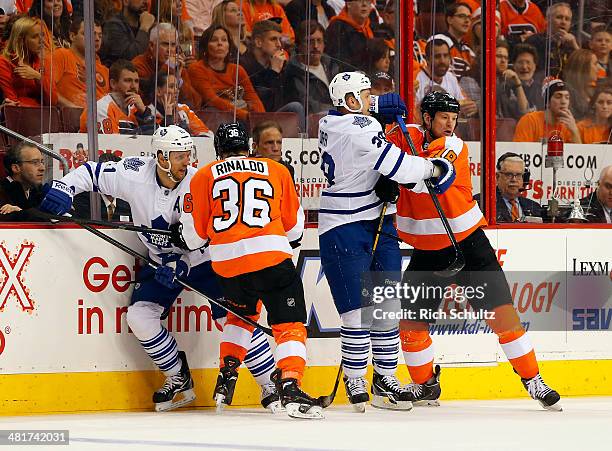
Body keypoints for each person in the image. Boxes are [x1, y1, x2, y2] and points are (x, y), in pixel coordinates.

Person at [38, 125, 281, 413]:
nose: (186, 162)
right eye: (179, 156)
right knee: (140, 316)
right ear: (161, 157)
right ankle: (178, 376)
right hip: (161, 261)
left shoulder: (199, 182)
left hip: (205, 260)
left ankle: (270, 383)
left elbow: (209, 236)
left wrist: (183, 264)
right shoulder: (134, 173)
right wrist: (64, 187)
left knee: (231, 320)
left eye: (188, 155)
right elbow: (92, 172)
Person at [386, 91, 561, 411]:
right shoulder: (405, 135)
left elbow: (429, 179)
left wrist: (395, 169)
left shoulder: (454, 146)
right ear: (427, 118)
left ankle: (533, 379)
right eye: (444, 118)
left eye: (454, 119)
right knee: (411, 323)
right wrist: (380, 115)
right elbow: (378, 150)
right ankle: (424, 384)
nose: (451, 124)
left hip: (467, 242)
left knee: (503, 314)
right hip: (428, 248)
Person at [317, 72, 455, 412]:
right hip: (344, 226)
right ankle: (355, 378)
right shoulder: (358, 128)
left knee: (387, 307)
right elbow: (404, 169)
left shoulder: (331, 121)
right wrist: (436, 169)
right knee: (357, 313)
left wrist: (377, 106)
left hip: (377, 217)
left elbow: (361, 119)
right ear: (350, 101)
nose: (369, 100)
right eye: (365, 96)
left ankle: (384, 378)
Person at [180, 122, 322, 420]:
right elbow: (295, 228)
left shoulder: (203, 175)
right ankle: (291, 385)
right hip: (271, 258)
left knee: (240, 316)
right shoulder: (277, 169)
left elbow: (193, 238)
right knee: (290, 325)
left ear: (218, 149)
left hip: (227, 264)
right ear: (250, 145)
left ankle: (226, 377)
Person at [188, 25, 264, 121]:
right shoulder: (197, 68)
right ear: (205, 46)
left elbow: (252, 97)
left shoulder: (237, 69)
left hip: (241, 115)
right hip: (214, 115)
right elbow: (212, 100)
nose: (220, 43)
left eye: (224, 40)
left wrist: (262, 118)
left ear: (229, 46)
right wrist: (246, 116)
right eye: (214, 40)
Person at [239, 20, 305, 126]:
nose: (279, 45)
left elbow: (293, 98)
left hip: (278, 121)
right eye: (273, 39)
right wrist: (273, 73)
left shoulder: (281, 65)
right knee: (295, 107)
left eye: (280, 40)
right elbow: (261, 105)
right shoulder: (243, 65)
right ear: (258, 42)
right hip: (254, 121)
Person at [132, 22, 201, 110]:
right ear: (151, 46)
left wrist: (179, 79)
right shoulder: (138, 64)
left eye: (173, 45)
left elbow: (195, 104)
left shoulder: (176, 67)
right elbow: (148, 99)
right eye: (165, 44)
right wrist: (168, 68)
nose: (170, 50)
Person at [79, 59, 155, 134]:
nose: (133, 86)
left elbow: (156, 137)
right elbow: (113, 143)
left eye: (136, 81)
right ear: (113, 84)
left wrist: (144, 112)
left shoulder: (136, 108)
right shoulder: (101, 108)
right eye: (128, 80)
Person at [51, 17, 110, 109]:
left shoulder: (105, 70)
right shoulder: (61, 56)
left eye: (100, 36)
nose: (97, 39)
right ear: (72, 36)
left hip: (101, 119)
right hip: (71, 119)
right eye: (90, 34)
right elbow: (47, 88)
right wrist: (73, 108)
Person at [283, 20, 338, 116]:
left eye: (319, 41)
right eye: (310, 42)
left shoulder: (331, 65)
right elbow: (308, 106)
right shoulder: (293, 72)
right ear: (299, 45)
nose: (316, 46)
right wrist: (339, 110)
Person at [415, 35, 478, 118]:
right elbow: (414, 114)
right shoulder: (416, 79)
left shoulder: (451, 77)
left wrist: (470, 108)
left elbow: (464, 103)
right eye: (437, 56)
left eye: (445, 56)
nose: (442, 61)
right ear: (427, 59)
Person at [0, 16, 57, 107]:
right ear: (21, 40)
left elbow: (53, 101)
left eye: (42, 35)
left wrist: (37, 77)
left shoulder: (42, 60)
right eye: (35, 37)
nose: (42, 40)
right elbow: (12, 103)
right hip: (21, 117)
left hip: (41, 116)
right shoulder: (3, 63)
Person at [475, 152, 542, 222]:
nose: (514, 179)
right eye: (509, 174)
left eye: (518, 175)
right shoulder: (481, 204)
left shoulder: (534, 207)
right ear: (497, 177)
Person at [513, 77, 581, 143]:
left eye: (567, 97)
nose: (564, 101)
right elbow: (520, 151)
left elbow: (579, 153)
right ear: (547, 102)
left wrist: (574, 131)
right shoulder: (530, 120)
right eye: (558, 97)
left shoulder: (569, 125)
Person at [147, 71, 212, 136]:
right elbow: (164, 137)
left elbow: (205, 132)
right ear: (158, 91)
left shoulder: (183, 109)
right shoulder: (148, 113)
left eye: (177, 87)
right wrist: (168, 115)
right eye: (171, 87)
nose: (176, 91)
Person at [524, 2, 579, 78]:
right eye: (559, 17)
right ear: (547, 20)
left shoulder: (572, 45)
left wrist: (575, 45)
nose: (563, 22)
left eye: (567, 19)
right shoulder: (534, 42)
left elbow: (585, 70)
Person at [99, 0, 156, 67]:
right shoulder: (113, 25)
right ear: (126, 1)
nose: (146, 2)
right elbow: (130, 59)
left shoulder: (148, 25)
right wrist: (144, 28)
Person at [0, 142, 45, 221]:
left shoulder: (39, 190)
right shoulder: (2, 192)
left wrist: (22, 212)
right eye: (35, 162)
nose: (42, 168)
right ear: (16, 168)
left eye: (42, 162)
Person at [325, 0, 374, 72]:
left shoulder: (372, 28)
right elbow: (338, 62)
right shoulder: (337, 27)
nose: (364, 4)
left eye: (368, 1)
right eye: (360, 0)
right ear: (348, 4)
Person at [561, 49, 600, 121]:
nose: (598, 68)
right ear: (583, 67)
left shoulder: (594, 92)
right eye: (595, 64)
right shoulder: (566, 95)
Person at [495, 40, 528, 120]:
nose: (503, 61)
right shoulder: (476, 78)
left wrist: (517, 82)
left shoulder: (510, 81)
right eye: (499, 56)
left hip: (506, 128)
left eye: (506, 58)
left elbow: (524, 111)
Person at [443, 2, 475, 80]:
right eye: (462, 16)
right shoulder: (438, 41)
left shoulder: (468, 51)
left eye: (469, 17)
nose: (467, 20)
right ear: (449, 20)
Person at [512, 43, 544, 111]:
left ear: (535, 66)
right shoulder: (506, 88)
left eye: (528, 62)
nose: (524, 67)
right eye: (520, 62)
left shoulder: (542, 90)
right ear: (514, 65)